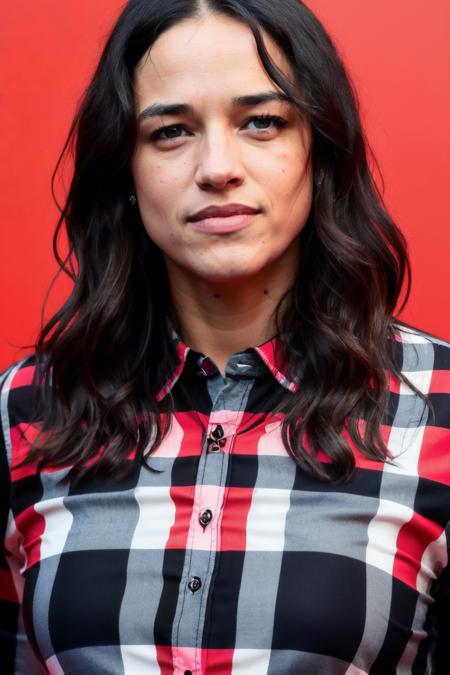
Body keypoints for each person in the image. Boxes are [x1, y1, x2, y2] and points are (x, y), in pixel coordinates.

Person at [1, 0, 449, 673]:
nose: (218, 166)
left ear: (319, 152)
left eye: (261, 122)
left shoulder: (438, 402)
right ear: (124, 169)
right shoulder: (30, 406)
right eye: (171, 131)